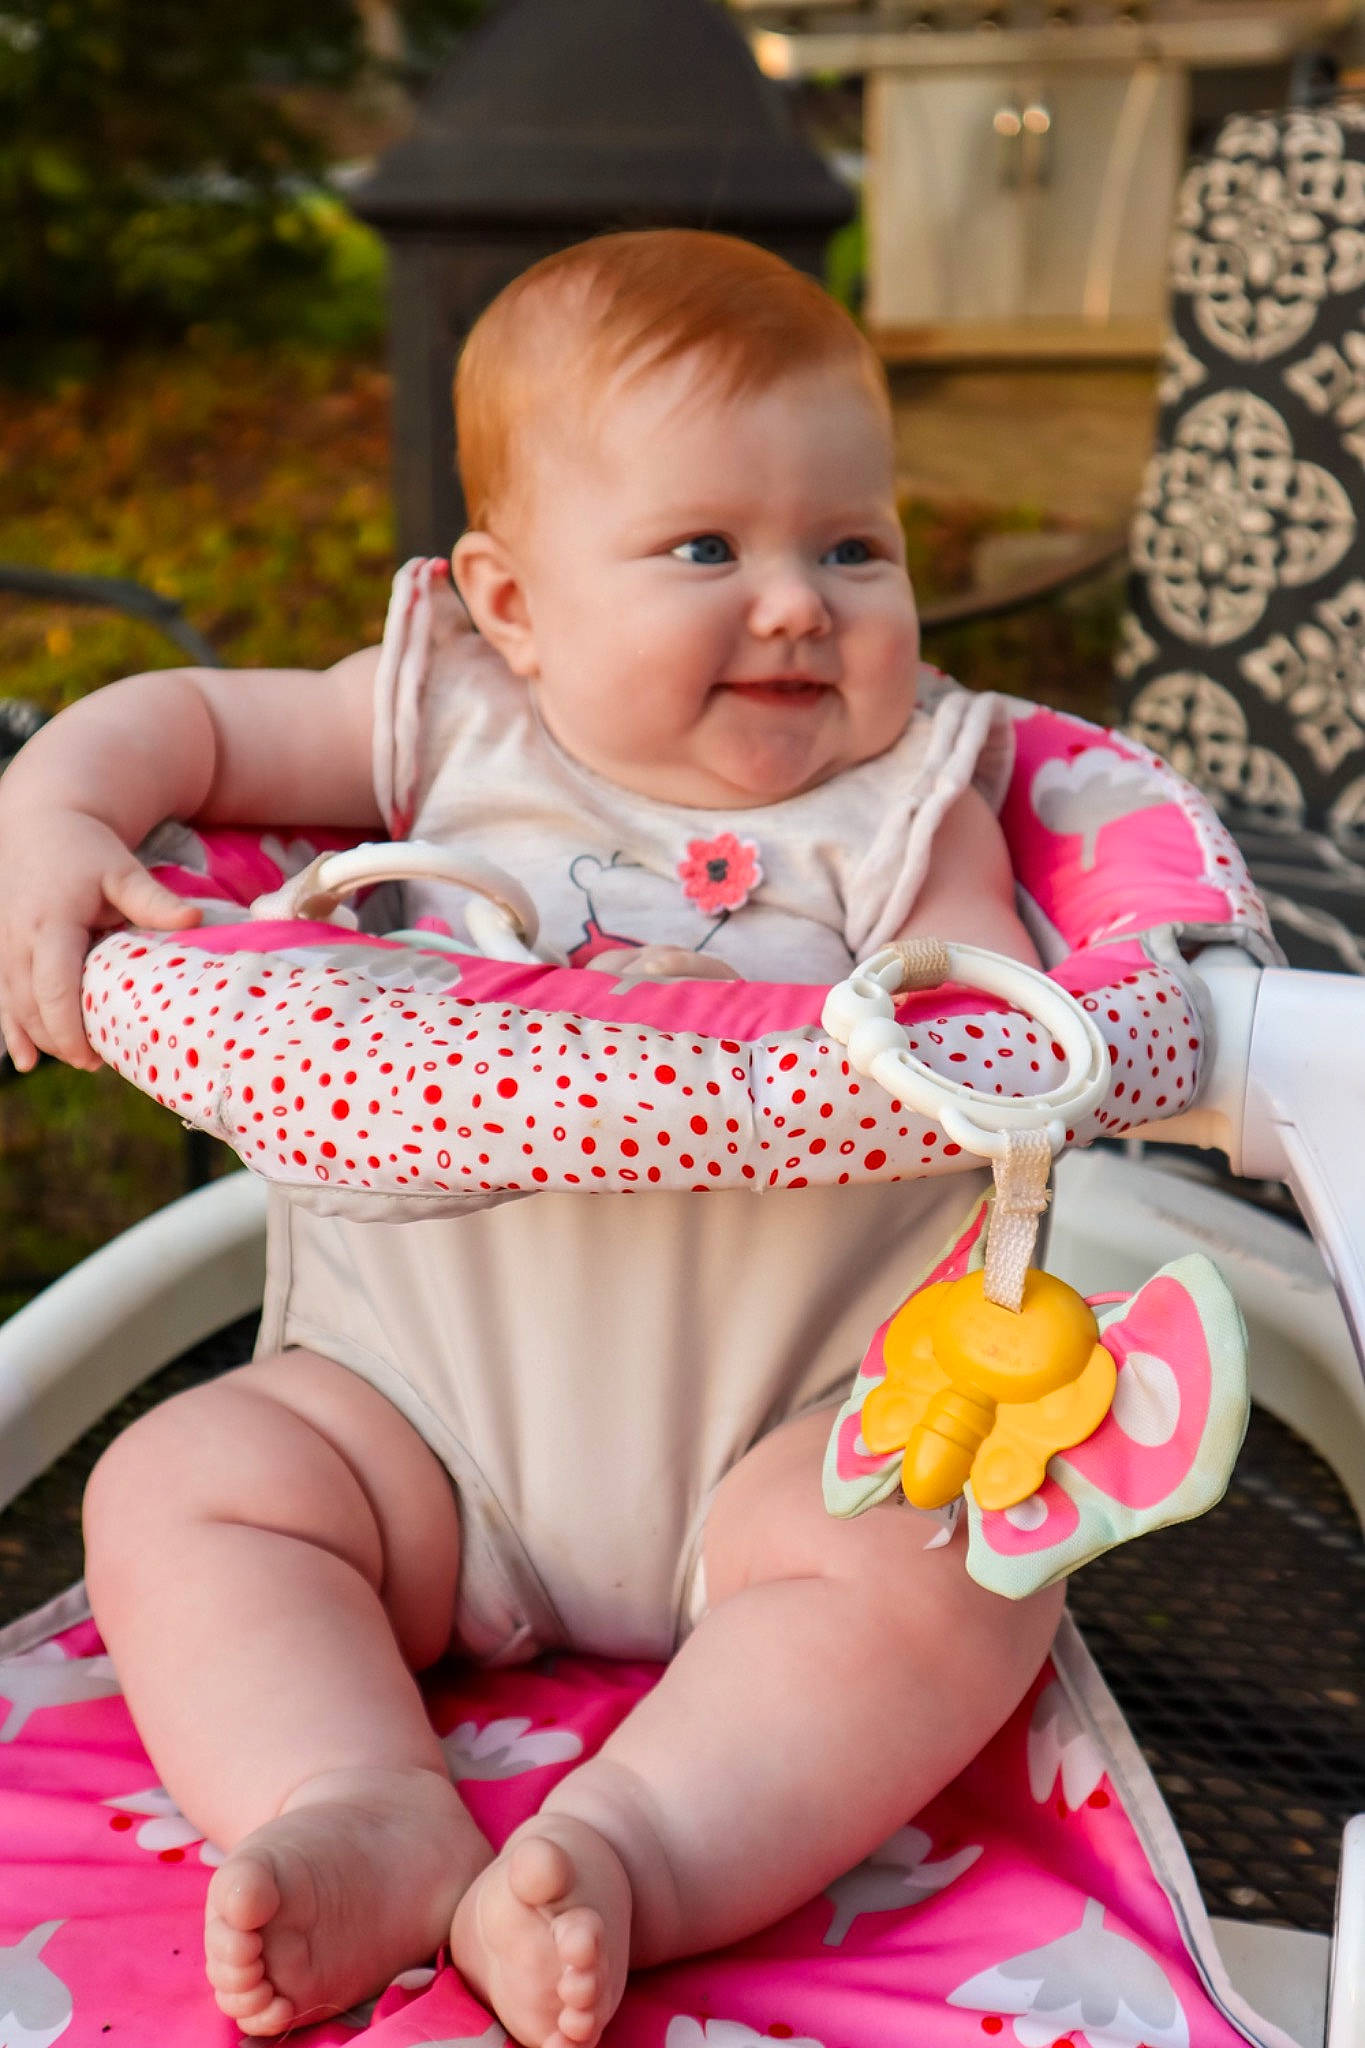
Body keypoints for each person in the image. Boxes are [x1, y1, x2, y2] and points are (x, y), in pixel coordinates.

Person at [0, 230, 1063, 2048]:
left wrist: (898, 1015)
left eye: (851, 548)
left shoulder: (906, 806)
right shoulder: (446, 730)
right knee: (183, 1483)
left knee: (964, 1568)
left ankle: (633, 1847)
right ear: (509, 604)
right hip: (417, 1430)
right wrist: (52, 812)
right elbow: (184, 721)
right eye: (706, 549)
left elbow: (990, 1016)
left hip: (796, 1446)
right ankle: (356, 1800)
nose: (795, 606)